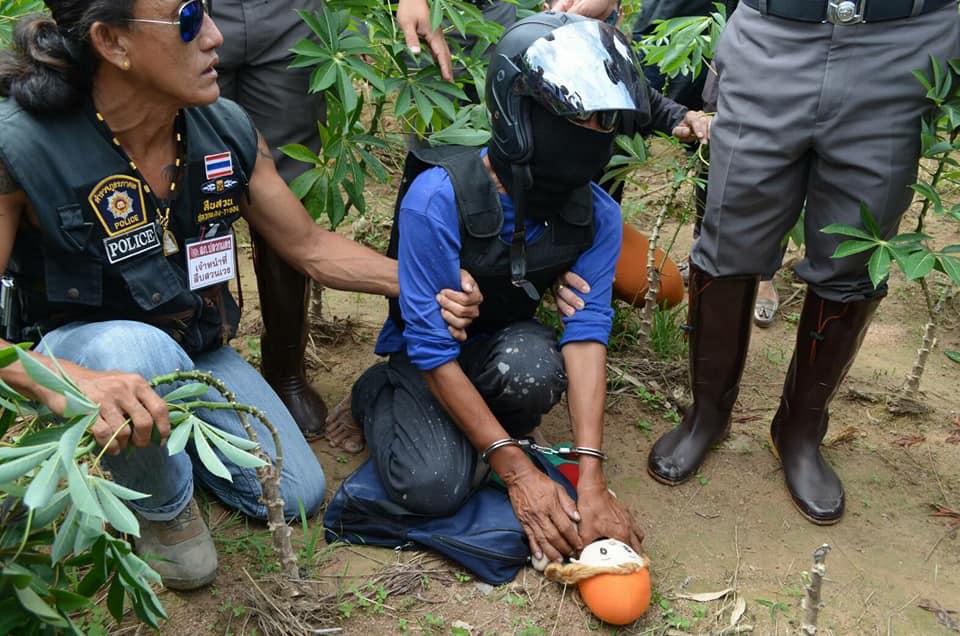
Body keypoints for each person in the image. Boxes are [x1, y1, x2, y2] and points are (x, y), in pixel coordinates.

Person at [0, 0, 480, 590]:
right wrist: (72, 379)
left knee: (298, 491)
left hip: (195, 347)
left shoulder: (222, 126)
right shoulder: (22, 147)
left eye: (205, 10)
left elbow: (307, 246)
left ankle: (158, 442)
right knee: (136, 351)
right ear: (112, 42)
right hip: (89, 354)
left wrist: (422, 285)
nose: (215, 36)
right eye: (185, 20)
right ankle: (163, 512)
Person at [328, 13, 710, 562]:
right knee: (432, 486)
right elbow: (433, 349)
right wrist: (519, 475)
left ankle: (480, 438)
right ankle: (377, 393)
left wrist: (591, 476)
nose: (596, 140)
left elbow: (586, 335)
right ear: (518, 110)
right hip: (427, 359)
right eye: (582, 119)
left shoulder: (594, 215)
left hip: (506, 349)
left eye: (608, 124)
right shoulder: (438, 198)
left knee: (534, 368)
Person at [647, 0, 959, 524]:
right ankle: (707, 415)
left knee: (854, 254)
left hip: (905, 40)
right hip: (774, 33)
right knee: (728, 240)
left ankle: (799, 430)